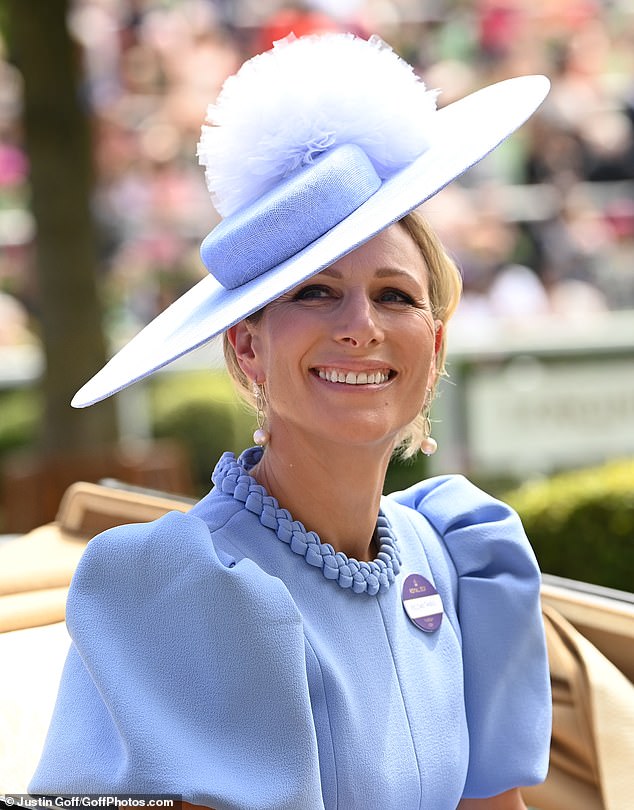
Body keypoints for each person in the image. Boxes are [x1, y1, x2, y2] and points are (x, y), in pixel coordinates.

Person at [30, 33, 552, 809]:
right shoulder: (182, 590)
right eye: (315, 291)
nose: (361, 326)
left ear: (435, 348)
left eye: (396, 296)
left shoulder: (459, 553)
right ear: (246, 348)